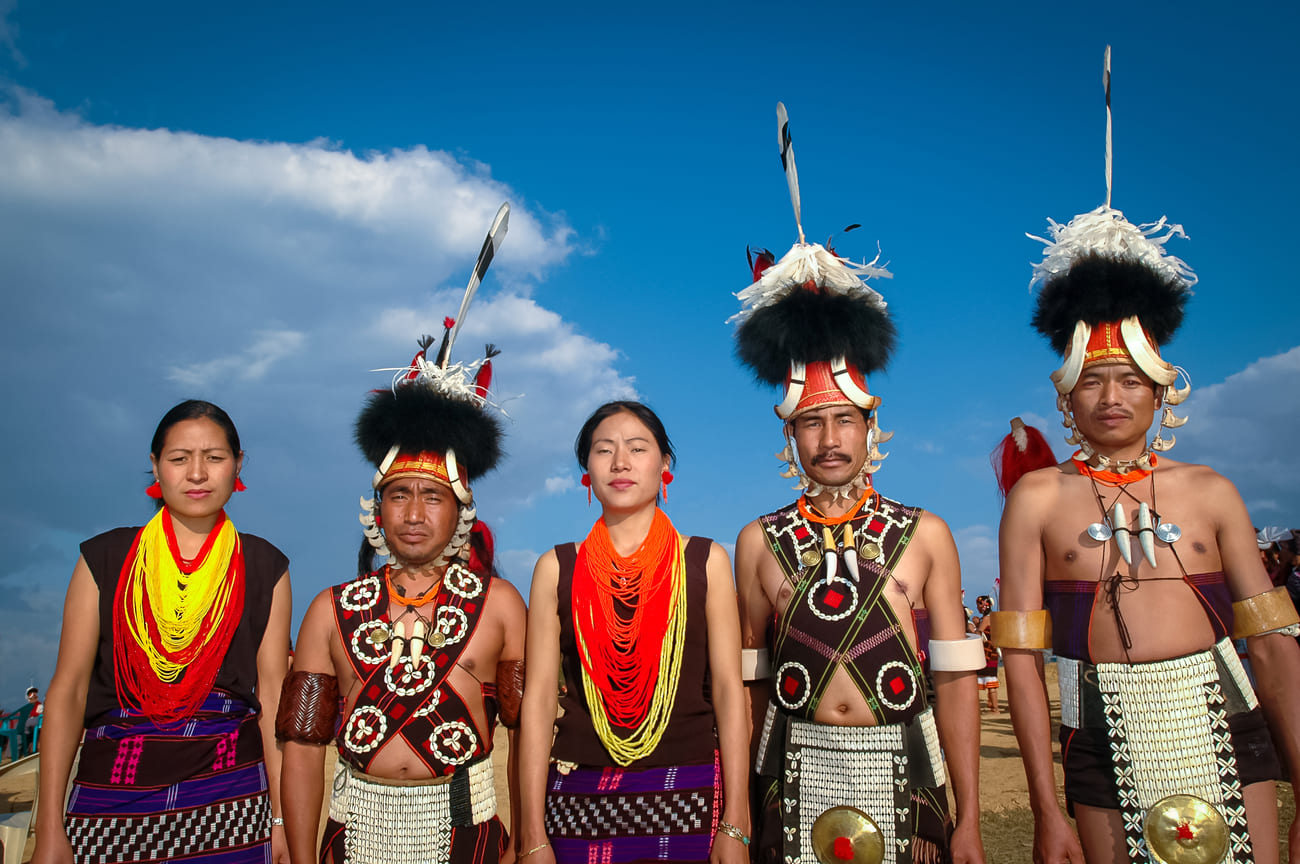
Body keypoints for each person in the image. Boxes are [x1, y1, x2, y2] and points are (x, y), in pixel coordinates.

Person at [993, 51, 1300, 864]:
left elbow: (1271, 649)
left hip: (1226, 720)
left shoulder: (1212, 494)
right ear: (1067, 395)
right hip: (1099, 730)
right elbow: (1020, 660)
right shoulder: (1038, 501)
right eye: (1093, 380)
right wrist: (1046, 809)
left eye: (1131, 378)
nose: (1112, 396)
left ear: (1163, 390)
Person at [733, 104, 985, 864]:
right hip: (793, 778)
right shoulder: (759, 541)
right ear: (790, 437)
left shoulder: (928, 533)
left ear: (872, 431)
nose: (831, 438)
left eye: (846, 420)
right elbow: (748, 688)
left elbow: (958, 683)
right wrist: (740, 819)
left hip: (909, 776)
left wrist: (969, 816)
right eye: (813, 423)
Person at [279, 203, 526, 864]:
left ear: (460, 512)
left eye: (431, 497)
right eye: (399, 495)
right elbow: (302, 747)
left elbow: (533, 736)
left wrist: (524, 849)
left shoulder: (500, 607)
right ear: (377, 510)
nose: (415, 513)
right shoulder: (329, 612)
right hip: (352, 836)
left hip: (467, 835)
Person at [33, 399, 293, 864]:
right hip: (110, 797)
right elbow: (69, 689)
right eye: (179, 459)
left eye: (214, 458)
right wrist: (51, 827)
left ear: (237, 465)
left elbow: (272, 696)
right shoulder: (105, 558)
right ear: (155, 466)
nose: (197, 473)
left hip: (230, 799)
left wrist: (280, 823)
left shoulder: (263, 564)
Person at [517, 401, 750, 864]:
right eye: (604, 451)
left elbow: (728, 689)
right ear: (587, 470)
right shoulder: (557, 568)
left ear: (664, 465)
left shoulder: (704, 563)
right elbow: (540, 698)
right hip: (578, 799)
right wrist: (532, 835)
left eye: (637, 448)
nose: (620, 462)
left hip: (688, 792)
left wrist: (736, 823)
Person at [972, 598, 1000, 714]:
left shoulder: (987, 619)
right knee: (991, 680)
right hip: (992, 652)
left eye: (978, 605)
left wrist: (973, 625)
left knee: (988, 680)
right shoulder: (992, 618)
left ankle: (994, 708)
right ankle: (993, 706)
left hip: (987, 653)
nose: (977, 608)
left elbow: (979, 633)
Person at [23, 687, 42, 751]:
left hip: (35, 725)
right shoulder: (26, 707)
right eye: (31, 693)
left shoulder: (39, 705)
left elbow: (38, 714)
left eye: (35, 693)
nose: (34, 695)